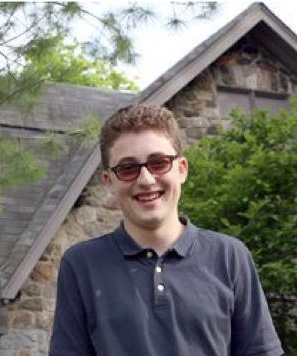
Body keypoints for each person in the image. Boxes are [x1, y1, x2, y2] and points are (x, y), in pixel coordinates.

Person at [49, 104, 283, 356]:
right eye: (128, 168)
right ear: (109, 181)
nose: (146, 180)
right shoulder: (82, 264)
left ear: (181, 169)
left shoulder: (229, 256)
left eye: (158, 163)